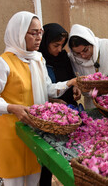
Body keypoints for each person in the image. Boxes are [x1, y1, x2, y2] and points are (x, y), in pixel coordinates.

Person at [0, 11, 80, 186]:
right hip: (11, 134)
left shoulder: (38, 59)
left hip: (34, 133)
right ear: (19, 33)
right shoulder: (2, 63)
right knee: (13, 181)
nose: (38, 37)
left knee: (33, 179)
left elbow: (48, 89)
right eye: (33, 33)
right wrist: (11, 107)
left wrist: (71, 82)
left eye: (40, 33)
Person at [38, 23, 79, 186]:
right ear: (45, 42)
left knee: (70, 149)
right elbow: (42, 89)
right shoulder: (38, 61)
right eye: (56, 45)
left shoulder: (63, 57)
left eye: (62, 45)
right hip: (49, 113)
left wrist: (75, 87)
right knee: (49, 153)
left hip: (67, 110)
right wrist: (52, 102)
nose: (59, 49)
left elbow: (70, 79)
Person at [68, 24, 108, 109]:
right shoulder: (74, 58)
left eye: (85, 50)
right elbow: (79, 81)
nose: (83, 56)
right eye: (78, 53)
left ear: (91, 43)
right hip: (92, 103)